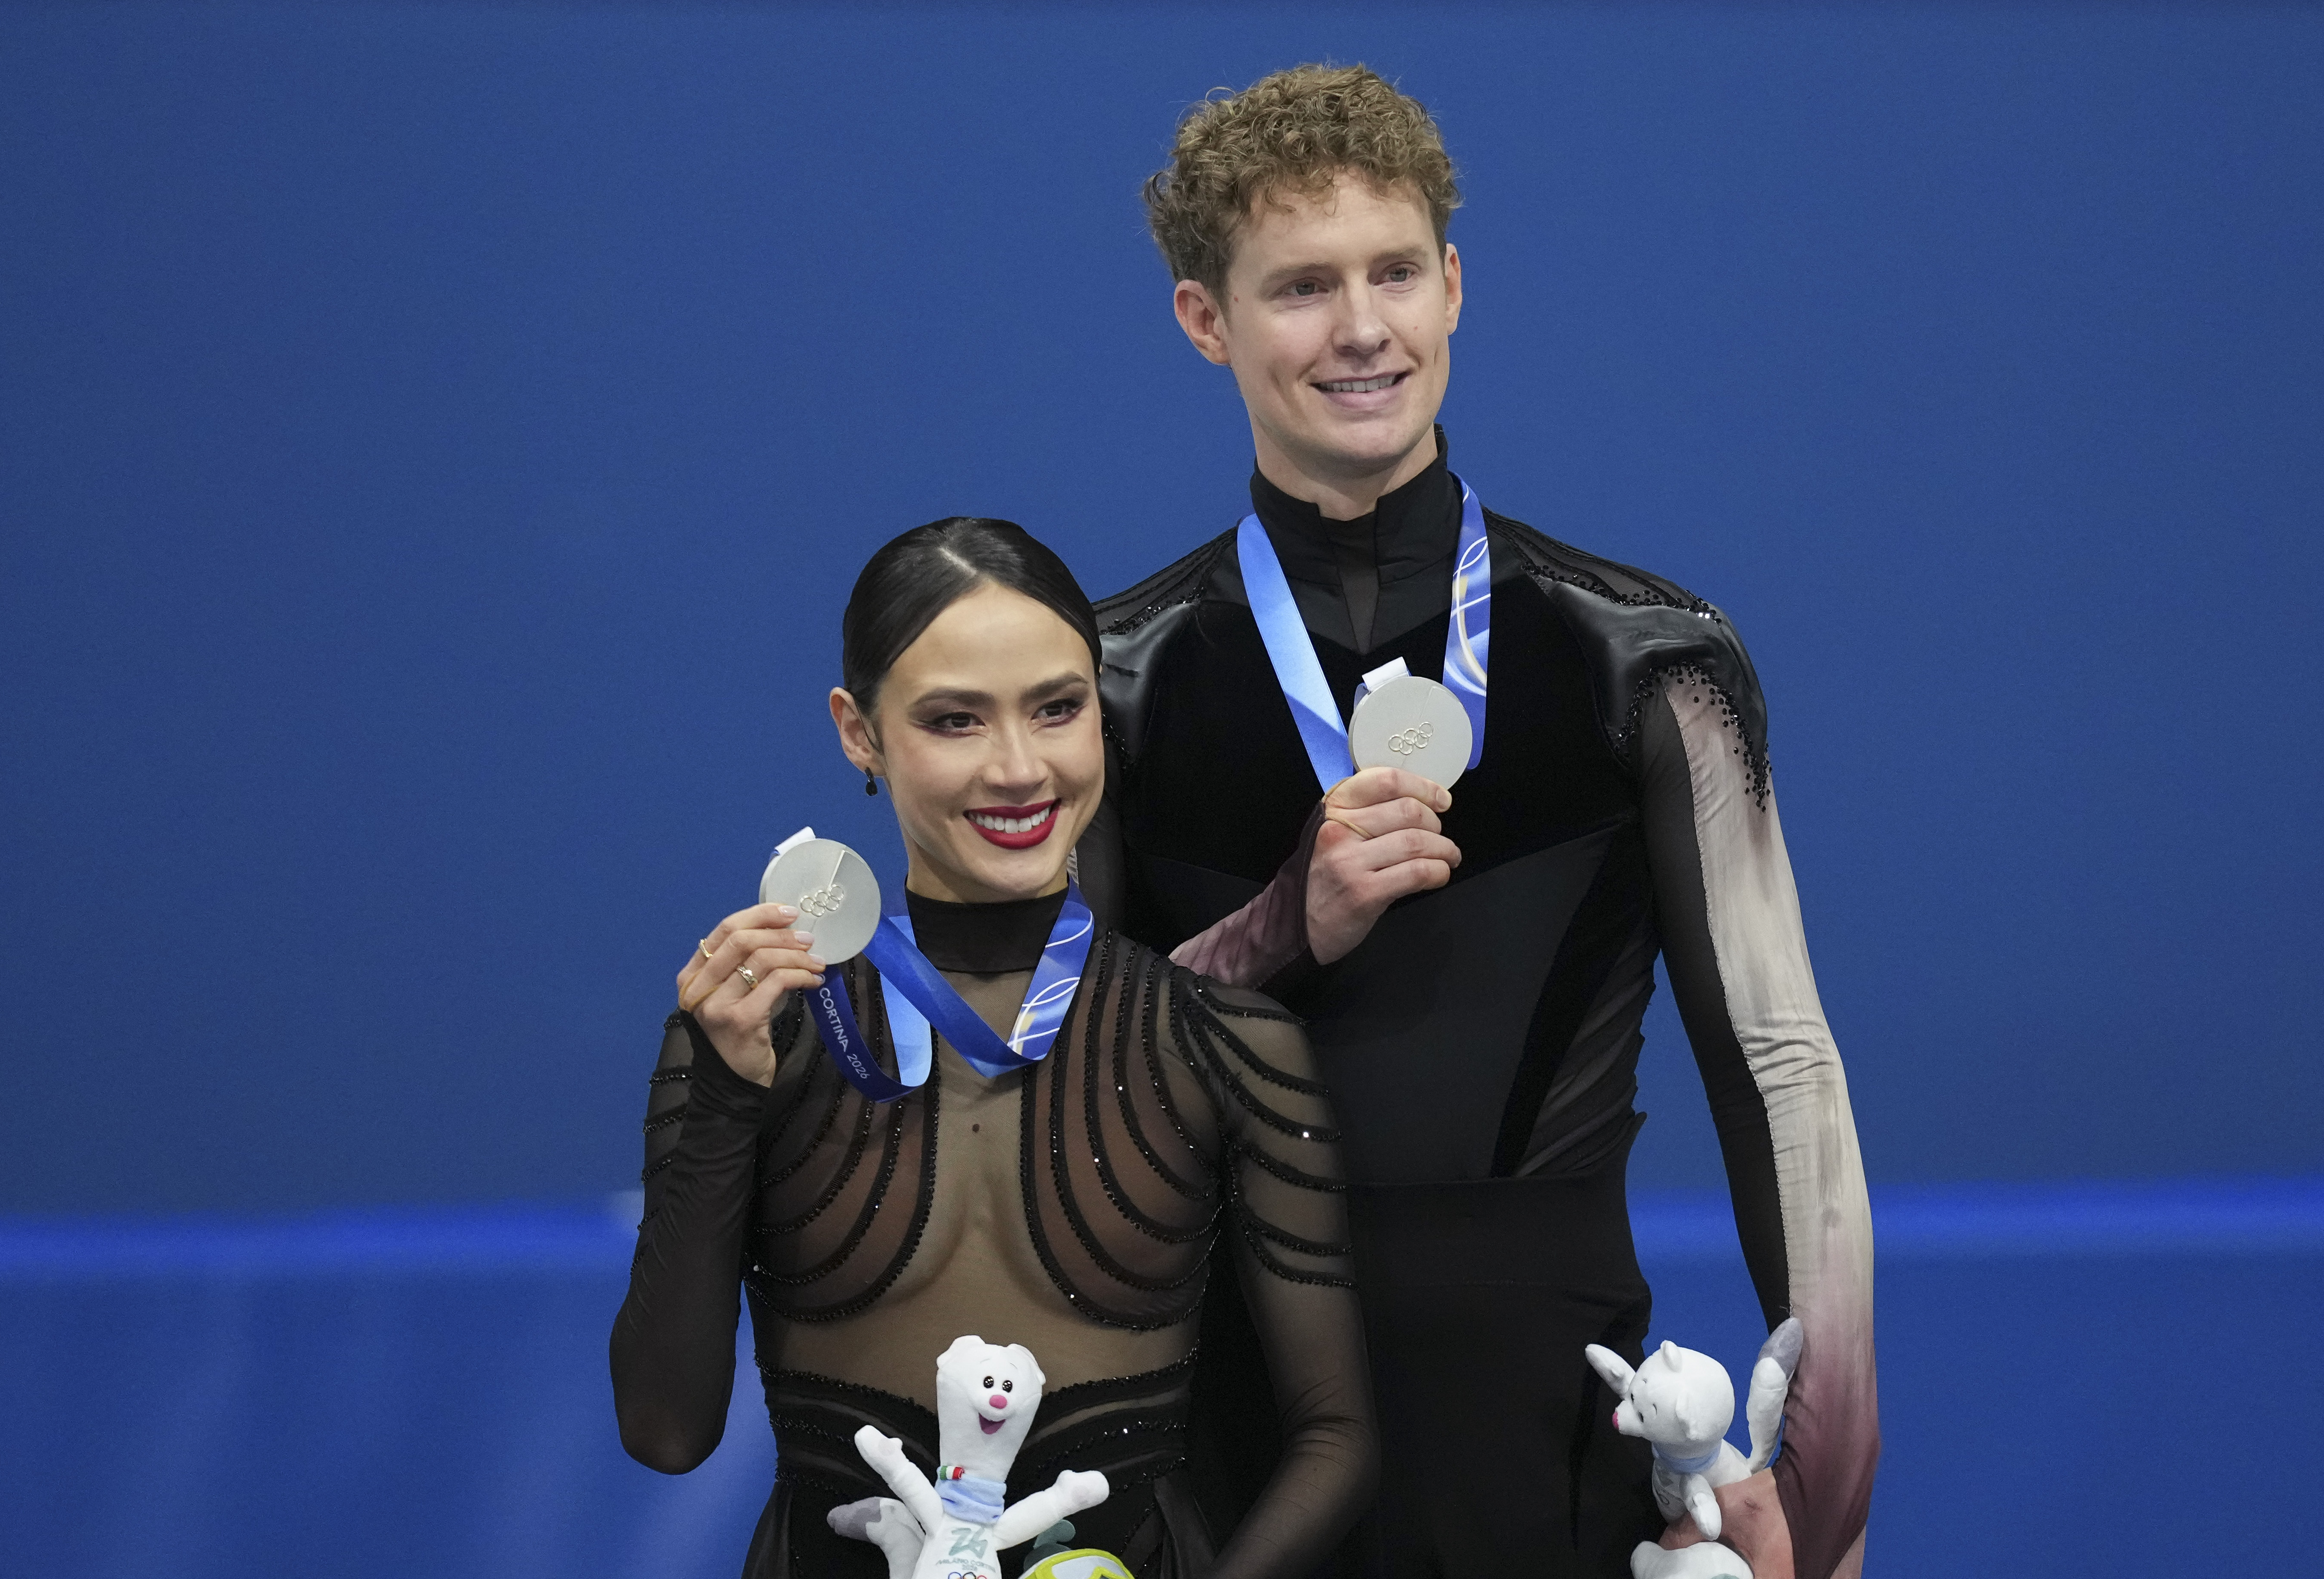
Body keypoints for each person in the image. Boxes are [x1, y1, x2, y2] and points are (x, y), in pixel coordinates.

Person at [1074, 65, 1877, 1579]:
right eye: (1301, 287)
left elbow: (1777, 1064)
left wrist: (1821, 1476)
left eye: (1393, 273)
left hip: (1555, 1446)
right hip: (1217, 1461)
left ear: (1452, 288)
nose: (1361, 327)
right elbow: (1055, 1106)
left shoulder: (1653, 657)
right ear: (1206, 321)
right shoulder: (1109, 685)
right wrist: (1276, 930)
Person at [609, 518, 1377, 1577]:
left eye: (1056, 708)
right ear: (858, 732)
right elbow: (665, 1429)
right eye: (954, 720)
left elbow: (1336, 1437)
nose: (1019, 768)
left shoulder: (1226, 1043)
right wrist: (722, 1105)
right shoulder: (759, 1033)